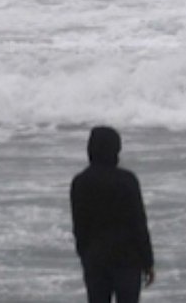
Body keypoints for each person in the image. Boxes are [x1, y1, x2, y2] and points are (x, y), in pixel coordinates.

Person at [70, 126, 155, 303]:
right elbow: (138, 223)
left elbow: (79, 226)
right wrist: (148, 261)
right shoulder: (127, 180)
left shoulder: (80, 182)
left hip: (95, 259)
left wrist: (85, 255)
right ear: (116, 149)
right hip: (127, 259)